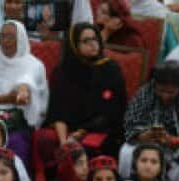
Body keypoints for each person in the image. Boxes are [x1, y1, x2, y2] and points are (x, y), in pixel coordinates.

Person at [40, 22, 129, 161]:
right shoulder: (63, 71)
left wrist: (82, 132)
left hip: (101, 129)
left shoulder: (110, 69)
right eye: (86, 41)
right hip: (70, 129)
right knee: (44, 141)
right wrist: (64, 142)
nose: (93, 44)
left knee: (85, 149)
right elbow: (58, 111)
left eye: (95, 38)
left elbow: (114, 112)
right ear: (74, 45)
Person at [0, 19, 49, 164]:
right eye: (2, 36)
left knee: (16, 143)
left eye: (10, 37)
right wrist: (5, 98)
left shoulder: (34, 64)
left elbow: (28, 80)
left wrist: (22, 90)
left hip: (18, 116)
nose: (5, 41)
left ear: (20, 39)